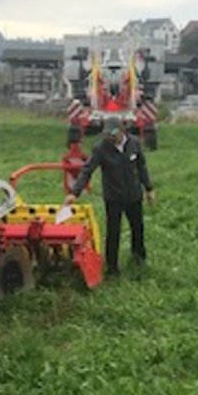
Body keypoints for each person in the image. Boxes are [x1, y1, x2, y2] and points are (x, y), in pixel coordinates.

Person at [63, 116, 156, 276]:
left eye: (113, 134)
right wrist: (74, 193)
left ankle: (139, 259)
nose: (110, 137)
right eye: (107, 134)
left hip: (134, 196)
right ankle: (112, 267)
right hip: (114, 198)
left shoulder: (134, 143)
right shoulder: (101, 148)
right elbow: (87, 170)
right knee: (113, 233)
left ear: (122, 130)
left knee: (138, 229)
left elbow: (141, 167)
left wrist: (149, 189)